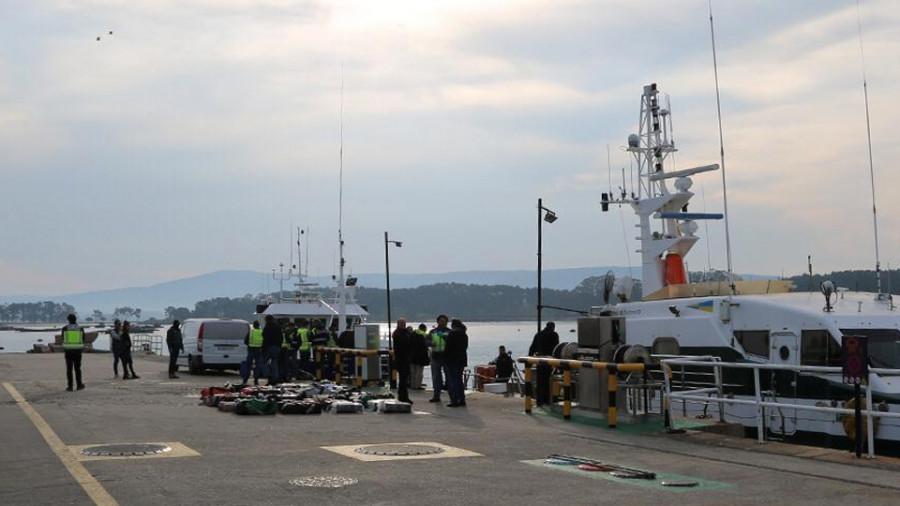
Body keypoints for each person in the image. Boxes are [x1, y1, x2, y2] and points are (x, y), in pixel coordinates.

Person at [529, 321, 559, 405]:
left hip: (540, 361)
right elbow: (556, 349)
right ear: (553, 327)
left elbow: (532, 348)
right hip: (551, 361)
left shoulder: (538, 334)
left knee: (540, 382)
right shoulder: (554, 335)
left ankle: (540, 401)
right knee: (550, 382)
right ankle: (551, 400)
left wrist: (529, 363)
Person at [444, 318, 469, 407]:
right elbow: (465, 347)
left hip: (451, 360)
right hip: (462, 359)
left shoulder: (451, 334)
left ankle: (454, 400)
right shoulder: (464, 335)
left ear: (453, 326)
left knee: (452, 381)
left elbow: (447, 348)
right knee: (459, 380)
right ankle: (462, 399)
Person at [427, 315, 450, 403]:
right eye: (441, 321)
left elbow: (452, 341)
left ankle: (452, 397)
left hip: (446, 356)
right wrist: (430, 343)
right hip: (436, 356)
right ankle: (436, 396)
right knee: (436, 377)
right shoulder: (433, 332)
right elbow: (426, 341)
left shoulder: (449, 332)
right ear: (438, 322)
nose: (443, 323)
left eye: (444, 321)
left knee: (449, 376)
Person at [61, 314, 85, 391]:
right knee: (77, 368)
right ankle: (79, 384)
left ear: (68, 320)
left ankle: (70, 386)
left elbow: (62, 338)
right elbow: (83, 338)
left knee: (69, 369)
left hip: (68, 350)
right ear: (75, 319)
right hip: (78, 350)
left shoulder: (65, 328)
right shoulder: (80, 328)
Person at [391, 318, 413, 404]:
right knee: (403, 378)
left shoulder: (406, 333)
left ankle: (404, 396)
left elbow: (411, 342)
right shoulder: (397, 333)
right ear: (398, 324)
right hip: (400, 359)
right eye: (401, 323)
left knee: (404, 378)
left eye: (404, 323)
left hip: (406, 358)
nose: (403, 325)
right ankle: (402, 396)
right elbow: (403, 343)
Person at [261, 315, 282, 385]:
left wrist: (263, 348)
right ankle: (275, 378)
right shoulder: (278, 327)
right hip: (277, 347)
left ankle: (268, 374)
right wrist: (279, 346)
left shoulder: (267, 327)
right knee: (274, 362)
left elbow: (264, 338)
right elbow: (281, 337)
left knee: (263, 361)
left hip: (269, 347)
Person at [242, 320, 264, 386]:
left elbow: (245, 341)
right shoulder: (261, 332)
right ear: (258, 325)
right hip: (259, 351)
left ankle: (245, 380)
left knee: (248, 366)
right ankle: (256, 380)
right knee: (258, 366)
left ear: (253, 325)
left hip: (251, 350)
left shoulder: (251, 332)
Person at [409, 323, 429, 390]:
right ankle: (417, 385)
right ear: (424, 329)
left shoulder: (412, 333)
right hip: (420, 356)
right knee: (419, 372)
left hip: (412, 355)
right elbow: (426, 345)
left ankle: (412, 385)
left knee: (412, 372)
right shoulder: (424, 334)